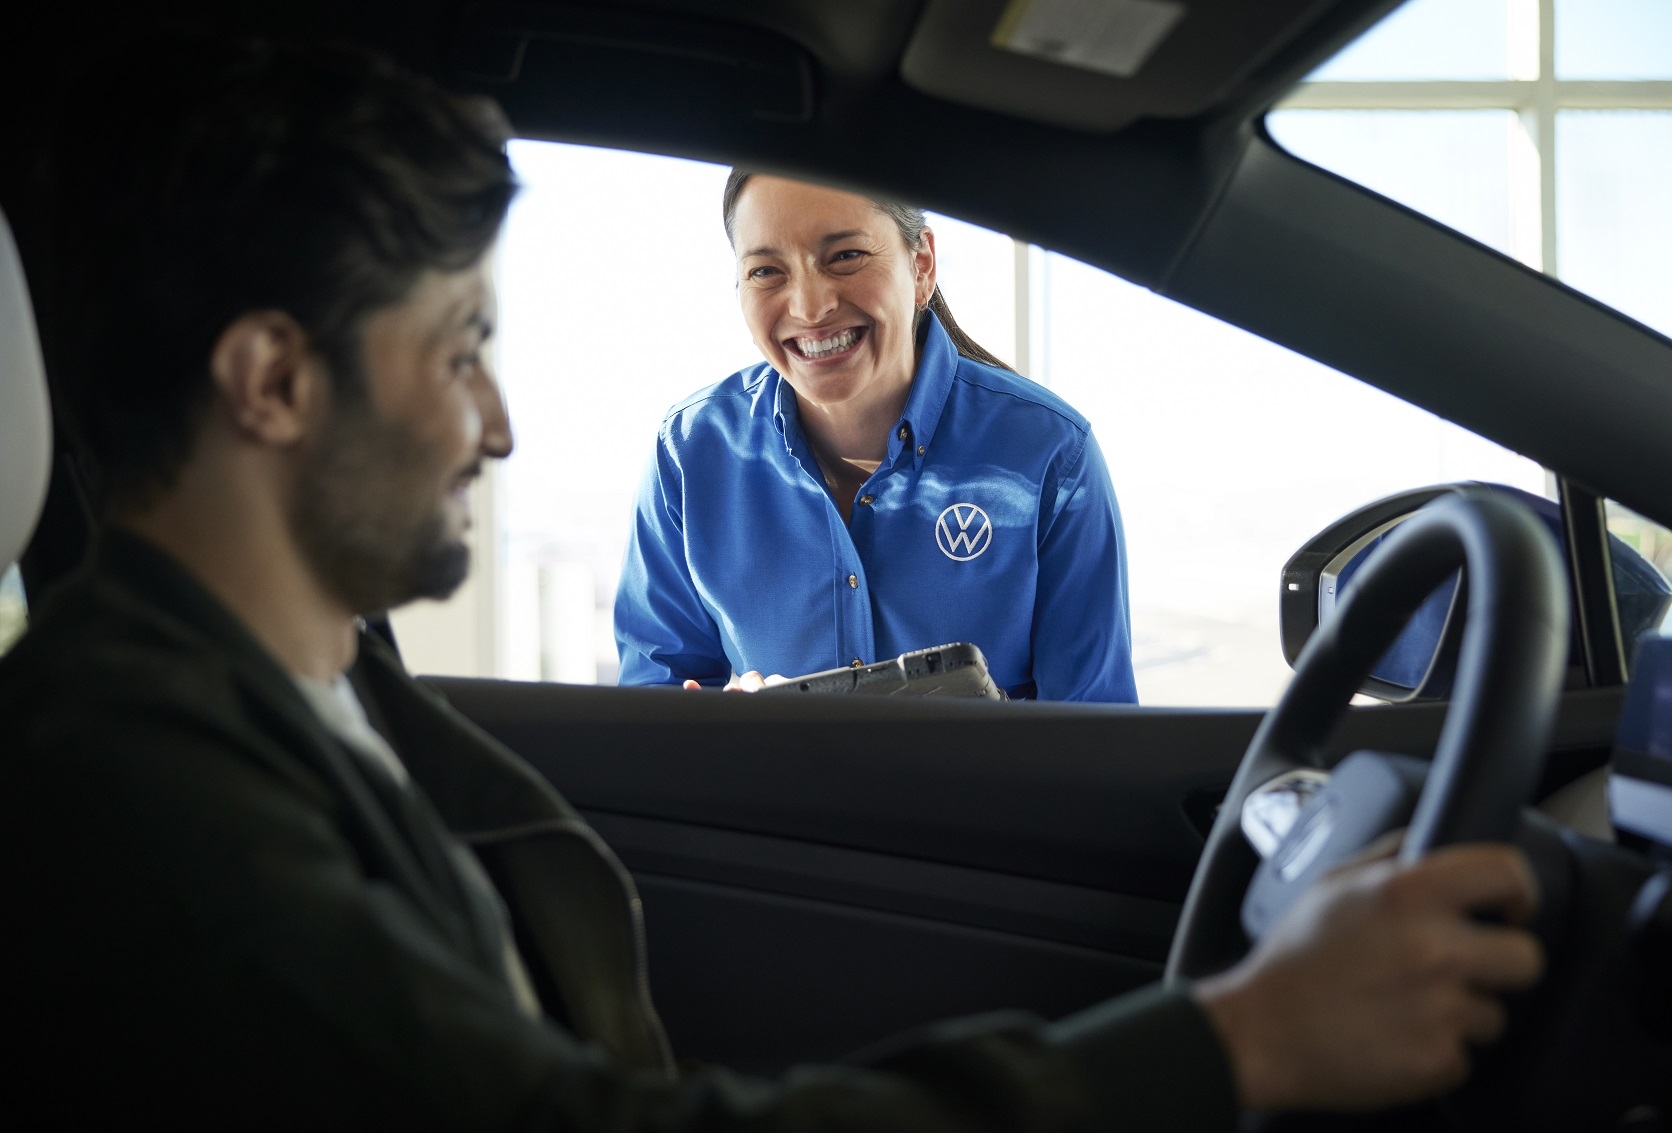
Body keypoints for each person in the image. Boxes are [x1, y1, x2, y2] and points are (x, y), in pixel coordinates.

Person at [2, 34, 1545, 1128]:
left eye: (845, 256)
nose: (500, 423)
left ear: (919, 267)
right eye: (460, 349)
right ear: (274, 381)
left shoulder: (318, 700)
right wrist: (1234, 1044)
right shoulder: (136, 788)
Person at [613, 174, 1137, 701]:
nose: (810, 307)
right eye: (767, 271)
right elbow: (652, 717)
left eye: (844, 256)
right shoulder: (690, 453)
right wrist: (733, 733)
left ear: (922, 264)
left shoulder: (1051, 456)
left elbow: (1096, 741)